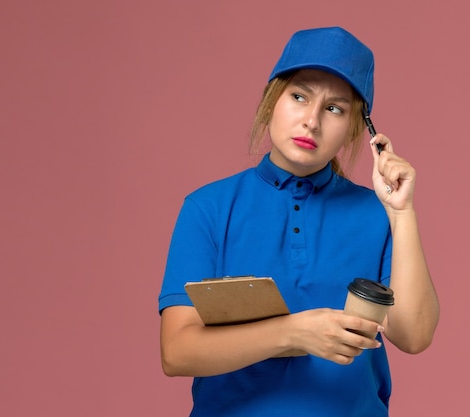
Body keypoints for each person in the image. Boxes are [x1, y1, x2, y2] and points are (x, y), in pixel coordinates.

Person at [158, 26, 439, 416]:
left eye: (334, 108)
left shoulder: (377, 214)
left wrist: (402, 212)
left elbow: (414, 335)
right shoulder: (208, 208)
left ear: (356, 128)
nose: (311, 121)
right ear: (272, 100)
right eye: (299, 97)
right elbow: (177, 352)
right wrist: (294, 333)